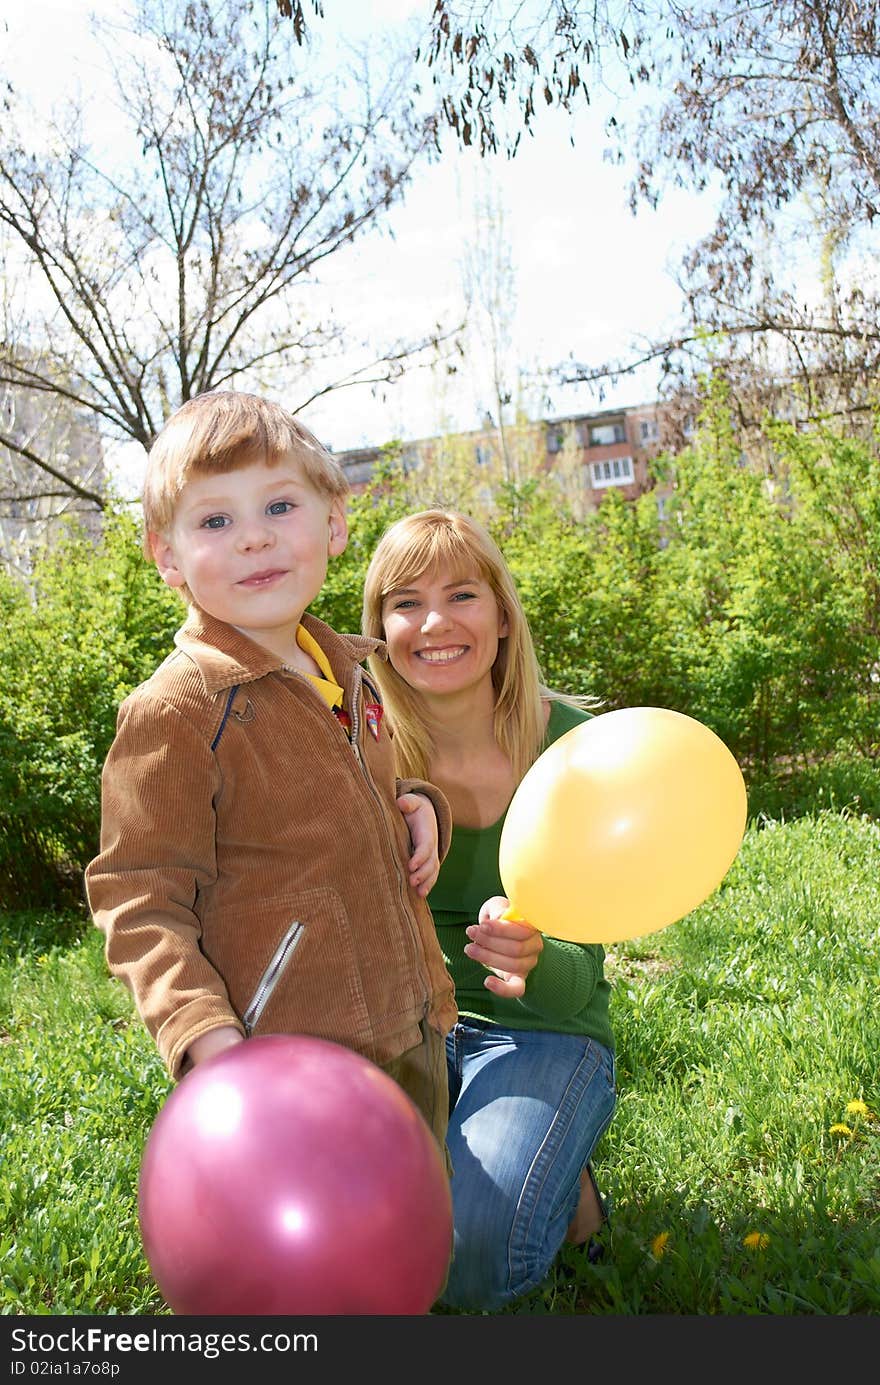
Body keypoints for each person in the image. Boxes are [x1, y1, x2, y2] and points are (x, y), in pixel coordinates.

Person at [85, 392, 457, 1150]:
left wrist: (413, 805)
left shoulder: (349, 667)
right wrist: (205, 1037)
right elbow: (139, 899)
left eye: (280, 506)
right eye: (216, 521)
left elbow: (340, 801)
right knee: (329, 1254)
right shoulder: (177, 711)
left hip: (411, 1022)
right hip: (289, 1062)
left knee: (419, 1221)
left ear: (334, 523)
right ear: (168, 556)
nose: (254, 538)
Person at [362, 508, 616, 1312]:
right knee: (356, 1240)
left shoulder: (574, 752)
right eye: (404, 602)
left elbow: (583, 975)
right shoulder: (358, 753)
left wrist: (535, 960)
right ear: (378, 629)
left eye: (462, 594)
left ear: (503, 615)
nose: (433, 622)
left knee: (465, 1266)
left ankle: (555, 1162)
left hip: (542, 1028)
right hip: (402, 1026)